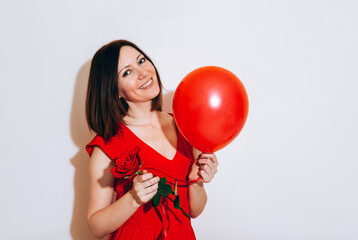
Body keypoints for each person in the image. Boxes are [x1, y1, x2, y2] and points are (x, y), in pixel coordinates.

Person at [85, 39, 218, 240]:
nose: (143, 73)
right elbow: (95, 227)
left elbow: (194, 211)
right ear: (113, 90)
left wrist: (196, 181)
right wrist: (133, 198)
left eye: (141, 61)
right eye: (127, 72)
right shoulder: (106, 144)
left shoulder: (185, 126)